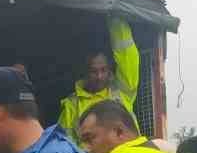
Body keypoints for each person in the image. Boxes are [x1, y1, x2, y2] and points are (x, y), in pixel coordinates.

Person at [57, 16, 140, 144]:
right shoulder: (71, 106)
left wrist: (115, 16)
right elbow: (64, 146)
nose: (99, 76)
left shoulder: (123, 92)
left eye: (103, 70)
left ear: (109, 70)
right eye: (94, 71)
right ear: (85, 73)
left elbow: (127, 55)